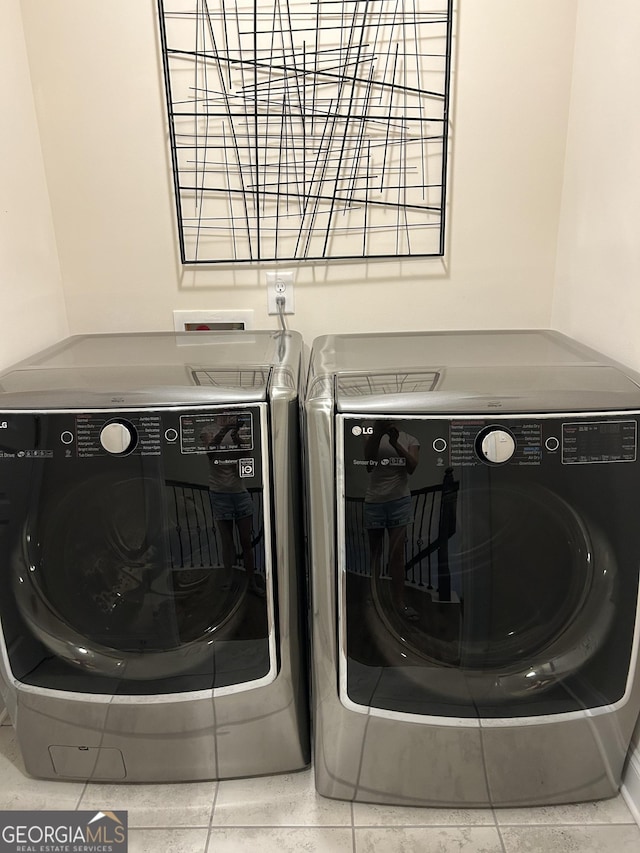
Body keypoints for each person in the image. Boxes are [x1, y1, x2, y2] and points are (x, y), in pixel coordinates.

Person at [364, 420, 420, 619]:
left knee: (397, 555)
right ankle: (374, 598)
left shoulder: (410, 439)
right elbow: (369, 464)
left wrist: (396, 443)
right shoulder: (371, 434)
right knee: (375, 554)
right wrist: (378, 434)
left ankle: (399, 603)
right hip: (374, 501)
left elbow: (412, 467)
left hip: (399, 501)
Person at [200, 423, 264, 597]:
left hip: (240, 494)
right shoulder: (207, 429)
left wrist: (235, 435)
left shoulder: (241, 432)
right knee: (227, 542)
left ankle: (251, 582)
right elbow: (210, 454)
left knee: (246, 541)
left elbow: (246, 455)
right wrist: (223, 430)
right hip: (219, 494)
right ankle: (229, 579)